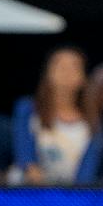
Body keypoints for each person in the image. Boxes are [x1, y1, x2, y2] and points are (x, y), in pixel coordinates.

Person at [12, 46, 91, 184]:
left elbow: (89, 167)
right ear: (48, 73)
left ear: (83, 77)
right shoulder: (28, 110)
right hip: (34, 193)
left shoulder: (92, 119)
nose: (67, 72)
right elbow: (25, 154)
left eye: (74, 67)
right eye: (60, 65)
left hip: (77, 197)